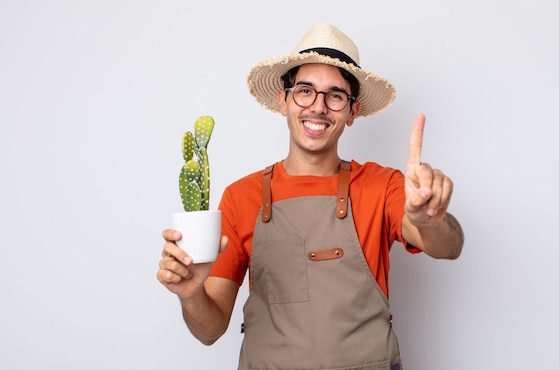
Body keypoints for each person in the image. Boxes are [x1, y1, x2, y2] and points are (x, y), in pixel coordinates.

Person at [157, 23, 464, 370]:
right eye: (305, 90)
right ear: (283, 100)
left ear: (352, 112)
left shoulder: (383, 185)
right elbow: (209, 330)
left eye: (335, 95)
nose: (318, 107)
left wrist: (430, 220)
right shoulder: (240, 197)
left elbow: (448, 247)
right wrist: (191, 294)